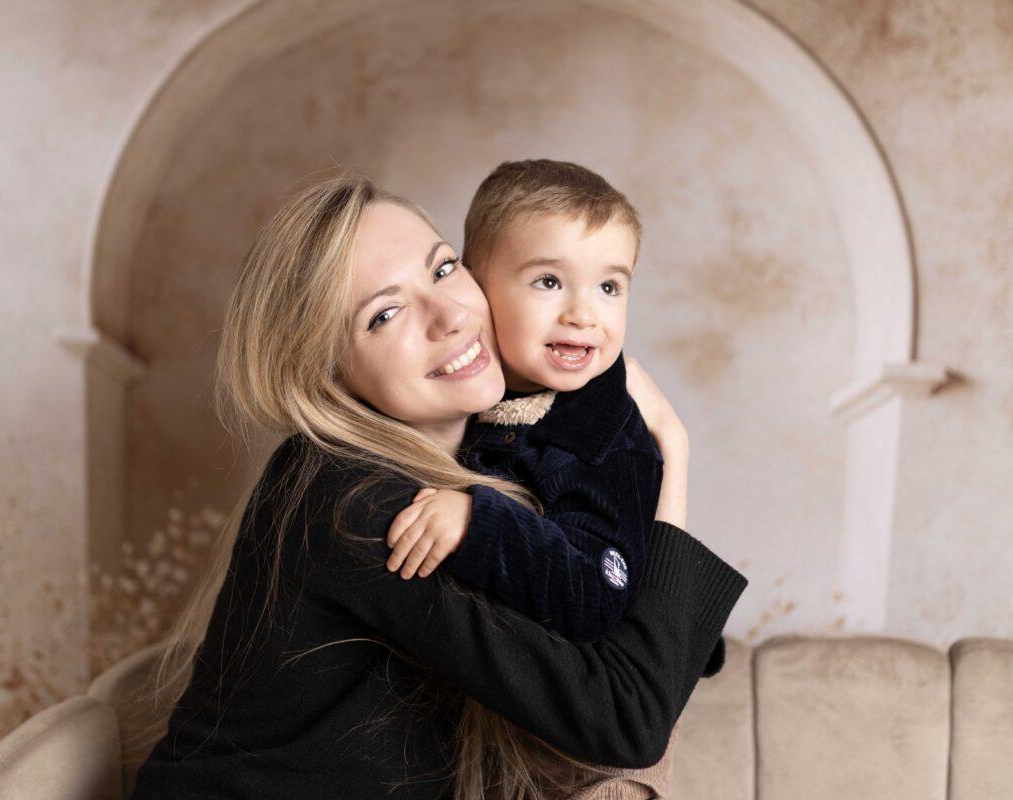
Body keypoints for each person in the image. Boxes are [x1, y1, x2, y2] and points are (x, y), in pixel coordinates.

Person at [125, 172, 748, 800]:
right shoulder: (359, 501)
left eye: (444, 269)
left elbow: (624, 640)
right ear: (324, 372)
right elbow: (626, 718)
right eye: (385, 314)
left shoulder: (499, 462)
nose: (451, 316)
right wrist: (673, 455)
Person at [381, 159, 724, 798]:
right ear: (477, 288)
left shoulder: (604, 438)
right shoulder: (485, 404)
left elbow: (594, 597)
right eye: (548, 281)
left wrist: (478, 521)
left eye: (610, 287)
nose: (583, 315)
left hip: (590, 767)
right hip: (500, 735)